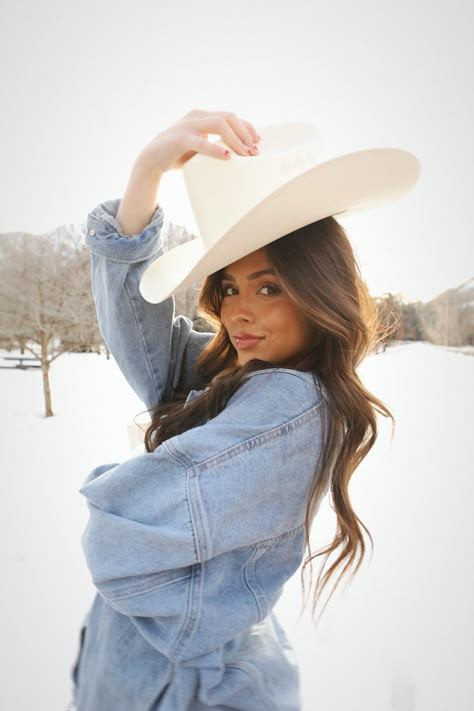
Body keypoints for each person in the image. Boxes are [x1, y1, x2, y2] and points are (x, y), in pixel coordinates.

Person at [70, 109, 420, 711]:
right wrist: (149, 170)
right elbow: (140, 335)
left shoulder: (289, 403)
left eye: (269, 286)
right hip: (148, 666)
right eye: (228, 287)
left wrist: (132, 476)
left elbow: (117, 534)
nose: (237, 312)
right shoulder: (242, 376)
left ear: (319, 287)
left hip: (185, 687)